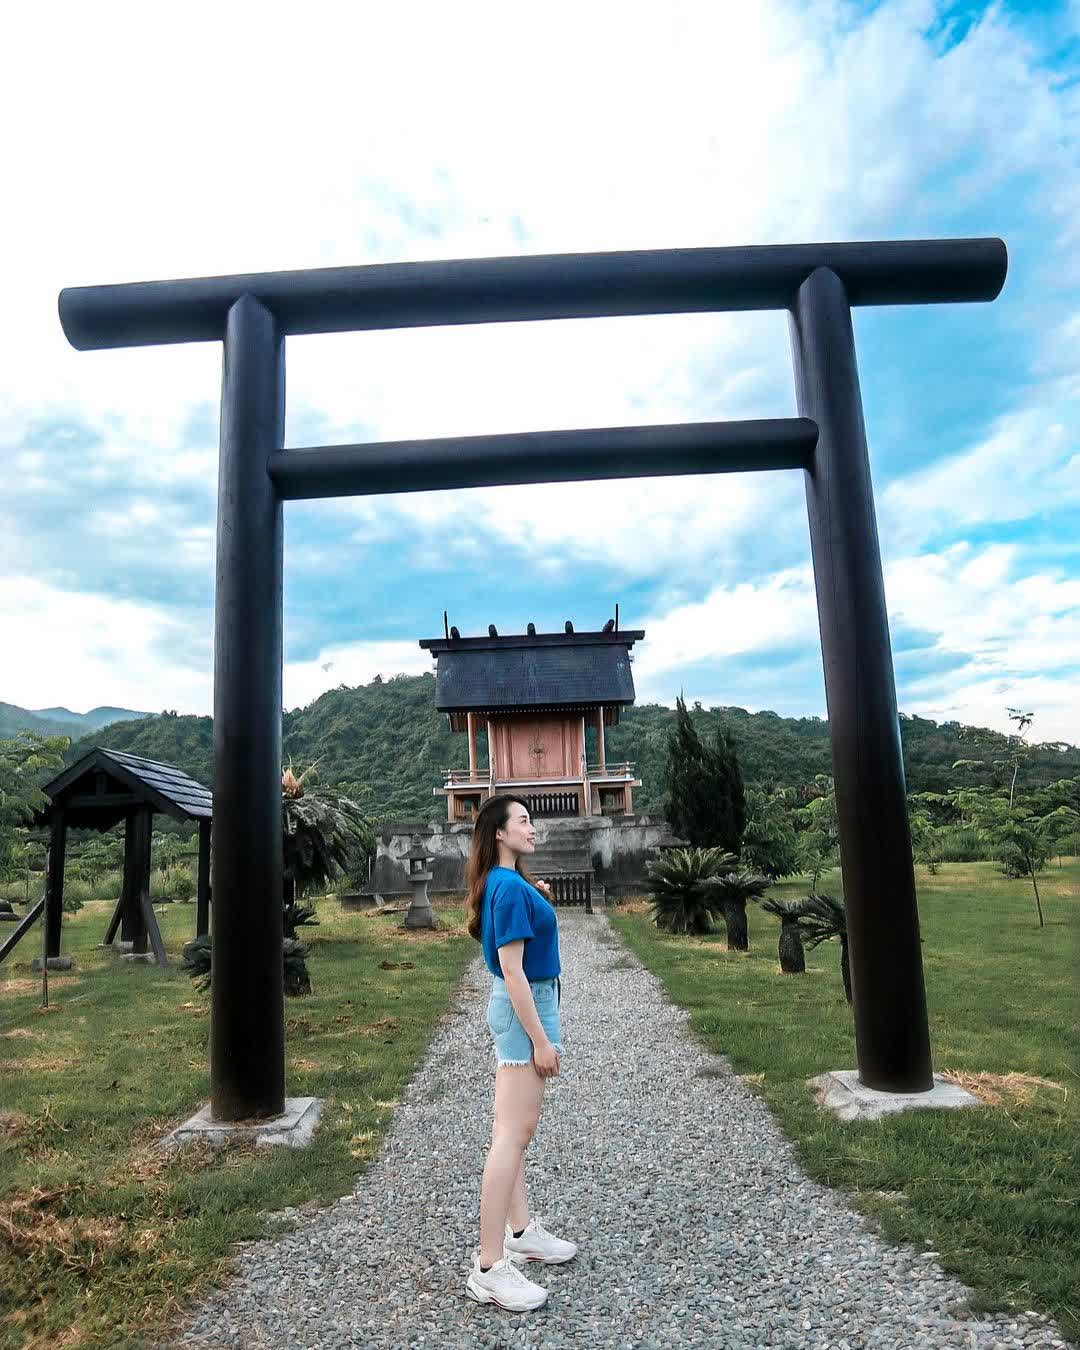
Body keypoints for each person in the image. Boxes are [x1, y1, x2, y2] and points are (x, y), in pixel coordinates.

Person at [463, 794, 578, 1312]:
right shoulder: (507, 888)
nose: (533, 827)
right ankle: (489, 1267)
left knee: (511, 1130)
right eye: (524, 821)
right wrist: (540, 1040)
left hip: (525, 1002)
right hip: (525, 1007)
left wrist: (538, 897)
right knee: (513, 1135)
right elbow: (513, 970)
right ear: (500, 834)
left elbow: (519, 940)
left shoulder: (508, 884)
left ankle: (522, 1231)